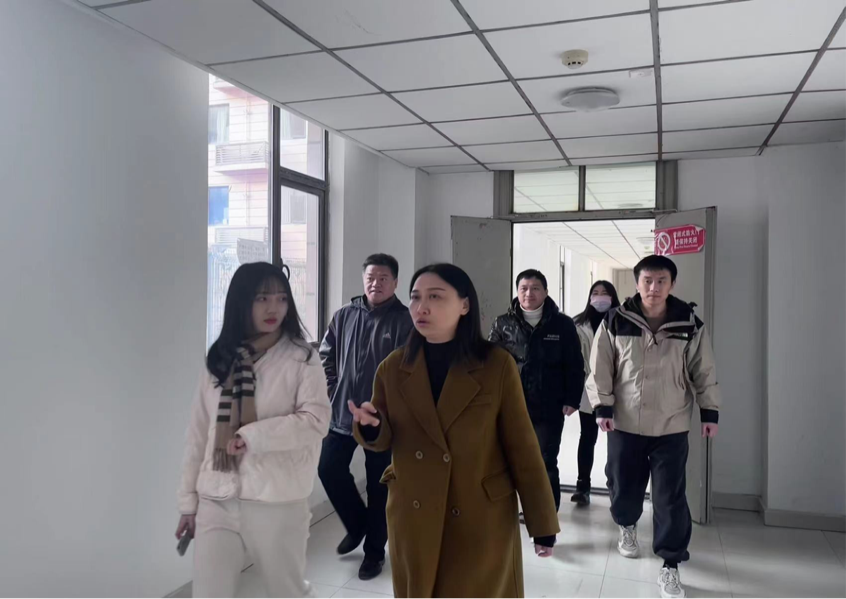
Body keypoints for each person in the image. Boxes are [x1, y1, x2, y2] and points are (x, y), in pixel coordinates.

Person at [349, 263, 560, 599]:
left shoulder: (495, 365)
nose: (421, 307)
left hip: (477, 512)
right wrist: (370, 426)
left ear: (464, 305)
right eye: (415, 297)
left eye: (435, 297)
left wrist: (542, 524)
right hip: (414, 511)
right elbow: (385, 437)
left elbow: (522, 448)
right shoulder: (393, 367)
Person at [175, 262, 330, 599]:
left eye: (281, 298)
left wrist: (253, 437)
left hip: (276, 497)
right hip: (217, 496)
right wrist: (188, 502)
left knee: (287, 592)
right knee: (209, 594)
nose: (274, 308)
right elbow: (198, 433)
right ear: (241, 302)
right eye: (262, 298)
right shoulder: (219, 359)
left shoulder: (302, 357)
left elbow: (316, 420)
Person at [587, 255, 721, 599]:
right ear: (637, 283)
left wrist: (709, 412)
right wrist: (602, 406)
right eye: (647, 280)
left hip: (671, 423)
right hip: (624, 421)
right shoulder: (616, 320)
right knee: (623, 484)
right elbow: (600, 366)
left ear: (672, 284)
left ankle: (671, 562)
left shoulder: (689, 323)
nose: (654, 287)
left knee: (670, 496)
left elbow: (703, 369)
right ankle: (627, 524)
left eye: (661, 281)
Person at [318, 253, 413, 580]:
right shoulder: (344, 315)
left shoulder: (404, 321)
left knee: (378, 486)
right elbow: (326, 354)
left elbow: (410, 371)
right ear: (363, 280)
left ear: (395, 283)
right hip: (343, 414)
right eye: (371, 278)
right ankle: (357, 524)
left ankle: (374, 553)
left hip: (381, 421)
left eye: (383, 278)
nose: (376, 284)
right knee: (328, 469)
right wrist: (333, 389)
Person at [489, 269, 585, 512]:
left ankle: (545, 512)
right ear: (517, 291)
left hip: (549, 403)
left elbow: (575, 364)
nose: (529, 293)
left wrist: (572, 398)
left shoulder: (562, 324)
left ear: (545, 292)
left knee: (545, 459)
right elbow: (491, 363)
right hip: (511, 402)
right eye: (523, 288)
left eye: (535, 288)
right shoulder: (503, 323)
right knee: (509, 457)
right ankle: (509, 509)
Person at [571, 280, 621, 506]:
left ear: (612, 297)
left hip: (616, 389)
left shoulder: (623, 321)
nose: (600, 297)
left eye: (605, 293)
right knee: (587, 438)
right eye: (595, 293)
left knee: (616, 441)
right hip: (589, 390)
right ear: (590, 298)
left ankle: (616, 486)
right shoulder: (578, 323)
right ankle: (583, 486)